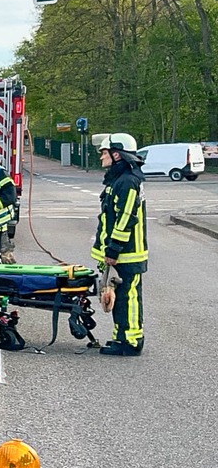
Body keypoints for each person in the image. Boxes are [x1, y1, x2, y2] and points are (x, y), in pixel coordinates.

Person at [91, 132, 148, 356]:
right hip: (121, 253)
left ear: (117, 155)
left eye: (104, 153)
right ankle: (121, 337)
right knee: (119, 298)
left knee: (128, 298)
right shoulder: (119, 180)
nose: (101, 157)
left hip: (127, 253)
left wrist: (113, 249)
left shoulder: (127, 182)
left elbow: (125, 218)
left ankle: (131, 342)